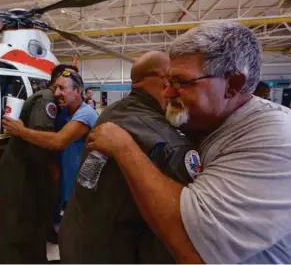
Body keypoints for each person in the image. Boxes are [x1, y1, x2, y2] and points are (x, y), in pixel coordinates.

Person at [85, 22, 291, 263]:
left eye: (182, 82)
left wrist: (125, 149)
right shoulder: (209, 122)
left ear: (233, 85)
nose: (167, 94)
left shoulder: (274, 139)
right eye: (168, 82)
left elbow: (194, 249)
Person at [59, 52, 200, 263]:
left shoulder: (113, 111)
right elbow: (179, 225)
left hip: (78, 237)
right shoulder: (169, 142)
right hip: (118, 251)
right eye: (177, 79)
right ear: (164, 79)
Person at [2, 66, 98, 237]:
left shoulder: (86, 114)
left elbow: (58, 141)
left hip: (81, 188)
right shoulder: (65, 112)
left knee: (79, 237)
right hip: (64, 186)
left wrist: (21, 131)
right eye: (55, 88)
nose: (56, 93)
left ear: (77, 90)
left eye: (63, 88)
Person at [0, 66, 65, 264]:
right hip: (24, 172)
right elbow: (40, 140)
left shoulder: (46, 97)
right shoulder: (47, 99)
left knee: (31, 224)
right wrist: (49, 168)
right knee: (18, 227)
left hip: (25, 170)